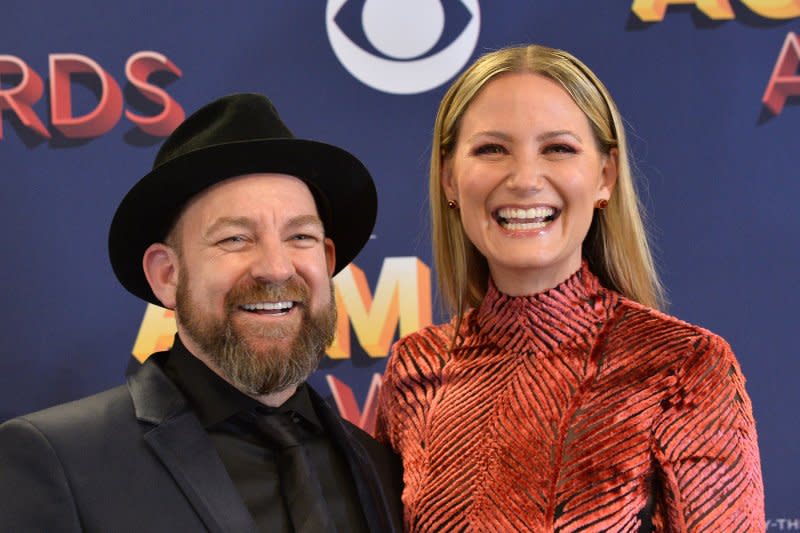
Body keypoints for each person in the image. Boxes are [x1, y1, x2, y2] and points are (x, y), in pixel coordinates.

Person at [375, 45, 765, 531]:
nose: (524, 179)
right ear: (449, 179)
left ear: (605, 176)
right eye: (492, 149)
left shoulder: (685, 367)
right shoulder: (416, 367)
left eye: (557, 149)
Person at [0, 93, 403, 532]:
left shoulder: (382, 467)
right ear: (167, 274)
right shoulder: (58, 459)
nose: (276, 268)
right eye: (234, 239)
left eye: (300, 237)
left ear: (327, 262)